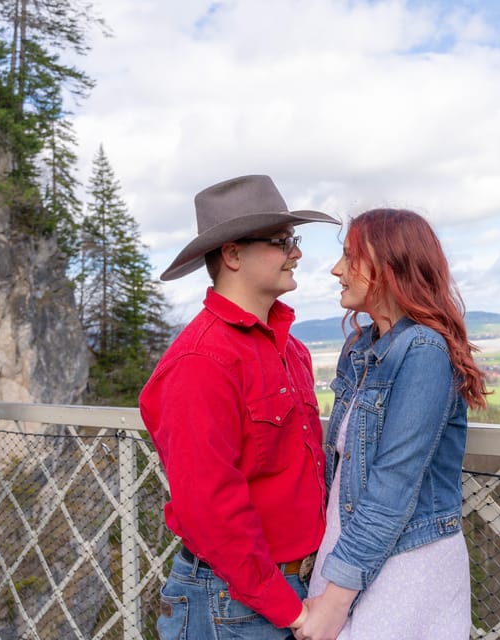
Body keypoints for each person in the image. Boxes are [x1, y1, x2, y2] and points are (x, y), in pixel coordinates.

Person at [139, 174, 340, 639]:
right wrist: (289, 611)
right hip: (233, 602)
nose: (297, 252)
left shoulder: (291, 349)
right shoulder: (200, 362)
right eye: (281, 241)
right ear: (232, 254)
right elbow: (210, 509)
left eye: (294, 239)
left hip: (292, 587)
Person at [293, 208, 488, 640]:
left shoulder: (423, 351)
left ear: (389, 265)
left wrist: (335, 600)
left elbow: (393, 487)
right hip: (351, 554)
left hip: (406, 564)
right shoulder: (361, 347)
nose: (336, 270)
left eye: (349, 257)